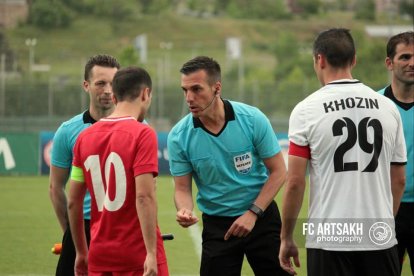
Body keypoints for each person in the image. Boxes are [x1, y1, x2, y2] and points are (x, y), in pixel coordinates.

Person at [279, 28, 407, 276]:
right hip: (378, 235)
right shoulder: (388, 107)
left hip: (328, 236)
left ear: (320, 59)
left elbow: (295, 182)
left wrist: (286, 237)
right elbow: (399, 179)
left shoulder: (306, 109)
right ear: (354, 60)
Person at [167, 56, 288, 276]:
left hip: (261, 217)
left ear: (217, 88)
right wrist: (184, 209)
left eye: (196, 89)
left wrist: (252, 213)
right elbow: (182, 189)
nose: (189, 98)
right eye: (184, 90)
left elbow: (279, 171)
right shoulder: (178, 136)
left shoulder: (252, 119)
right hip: (217, 226)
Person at [67, 66, 168, 275]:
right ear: (145, 93)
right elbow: (144, 197)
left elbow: (73, 201)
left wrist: (81, 252)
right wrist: (151, 253)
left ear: (114, 97)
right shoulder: (143, 134)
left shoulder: (84, 138)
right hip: (136, 253)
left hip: (99, 254)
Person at [49, 54, 120, 276]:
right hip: (83, 226)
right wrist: (71, 233)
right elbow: (55, 187)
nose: (108, 90)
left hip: (121, 226)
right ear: (86, 86)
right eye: (101, 83)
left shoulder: (138, 126)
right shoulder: (68, 131)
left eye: (113, 83)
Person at [378, 31, 414, 274]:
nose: (412, 64)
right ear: (389, 63)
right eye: (405, 57)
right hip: (385, 207)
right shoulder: (373, 105)